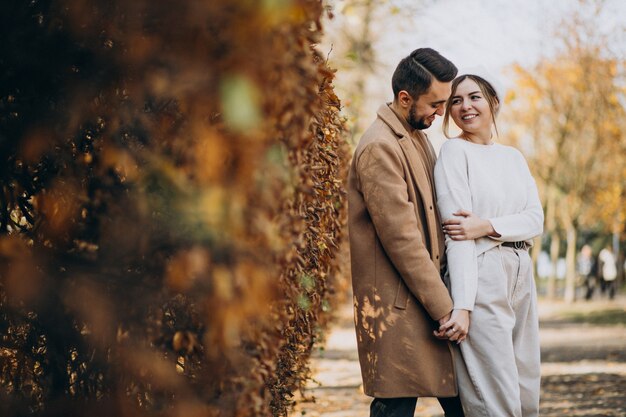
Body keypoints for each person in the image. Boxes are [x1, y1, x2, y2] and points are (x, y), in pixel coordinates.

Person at [348, 48, 464, 417]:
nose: (442, 113)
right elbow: (402, 239)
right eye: (436, 103)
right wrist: (445, 308)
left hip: (425, 300)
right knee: (395, 405)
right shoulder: (380, 146)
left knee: (462, 402)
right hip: (400, 308)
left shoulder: (415, 134)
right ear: (404, 98)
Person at [434, 71, 544, 417]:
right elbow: (459, 235)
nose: (465, 106)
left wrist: (487, 224)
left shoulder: (513, 157)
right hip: (483, 272)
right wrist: (463, 305)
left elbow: (535, 220)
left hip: (521, 269)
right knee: (497, 397)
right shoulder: (454, 152)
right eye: (456, 100)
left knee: (527, 390)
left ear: (493, 102)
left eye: (474, 97)